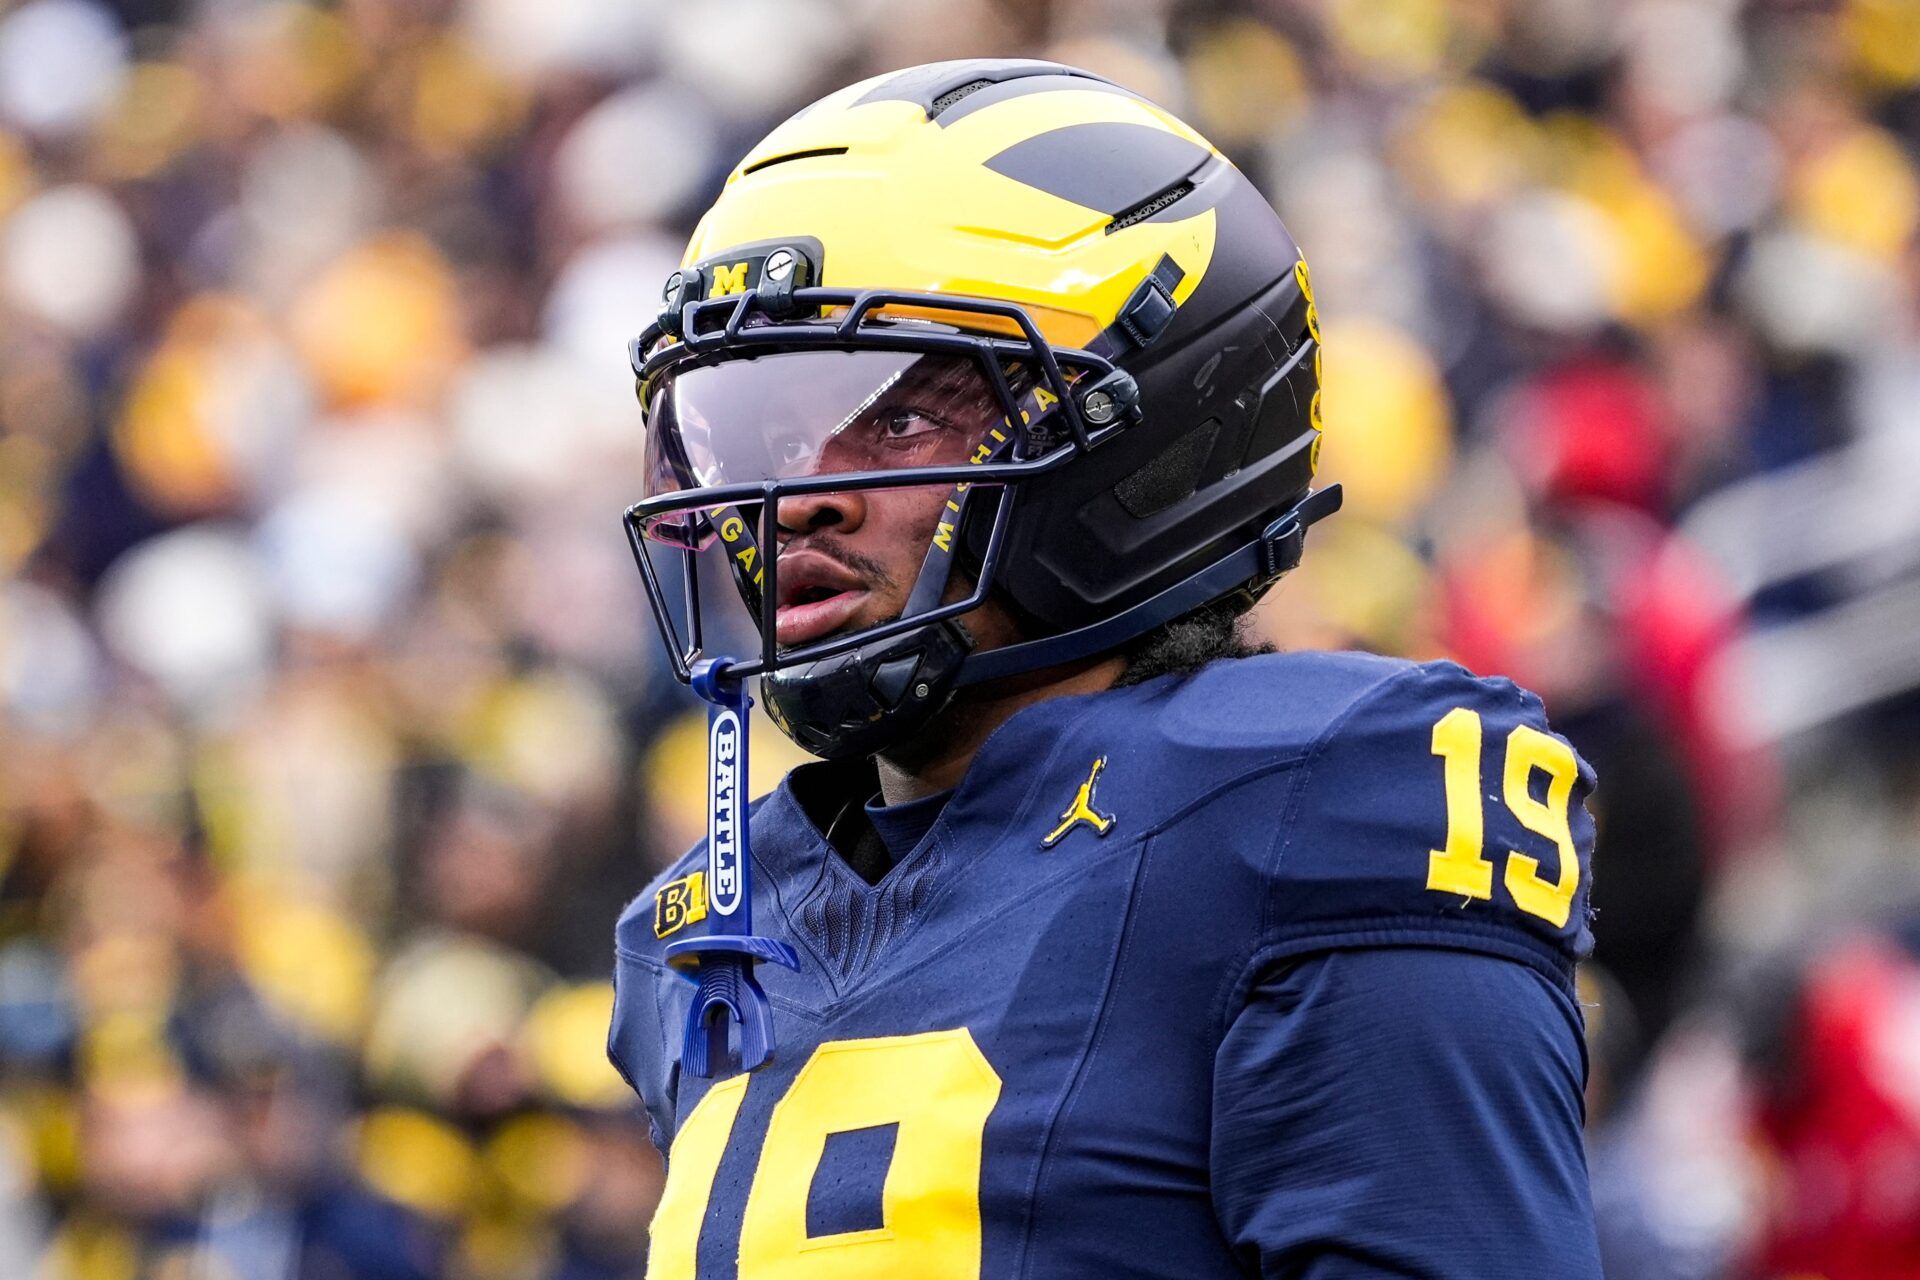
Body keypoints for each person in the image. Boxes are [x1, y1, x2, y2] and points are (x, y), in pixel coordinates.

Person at [607, 58, 1602, 1279]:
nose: (796, 498)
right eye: (751, 436)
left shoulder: (1316, 806)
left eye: (898, 418)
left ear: (1145, 428)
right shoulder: (708, 919)